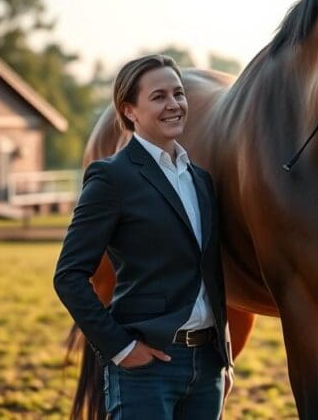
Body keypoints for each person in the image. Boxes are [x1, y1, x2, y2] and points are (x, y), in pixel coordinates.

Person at [54, 54, 231, 419]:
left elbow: (210, 275)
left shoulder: (201, 180)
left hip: (206, 367)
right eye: (159, 96)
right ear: (129, 110)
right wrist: (119, 348)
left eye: (179, 94)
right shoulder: (111, 178)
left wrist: (223, 359)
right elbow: (69, 276)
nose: (174, 105)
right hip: (145, 367)